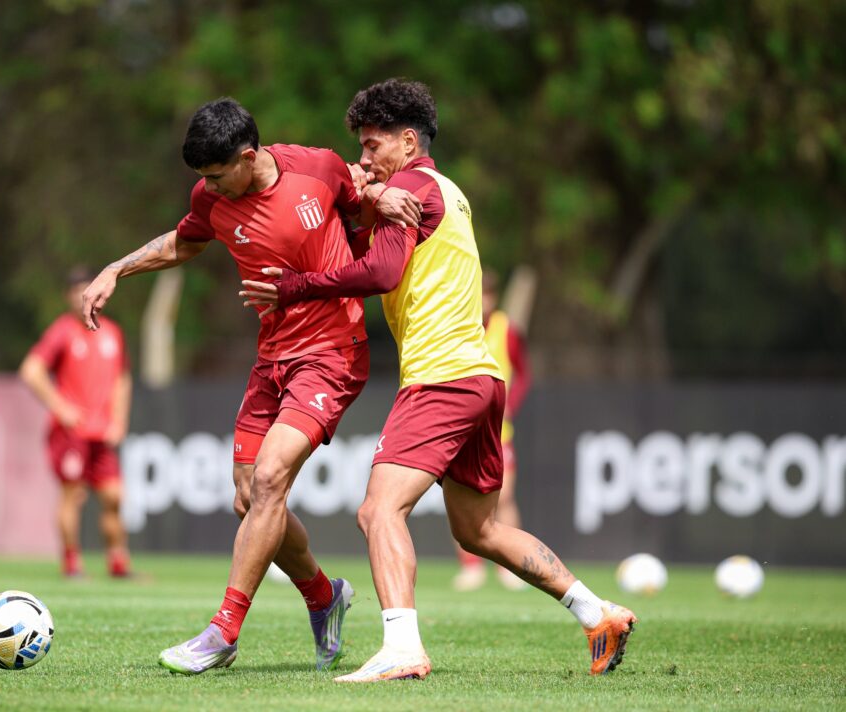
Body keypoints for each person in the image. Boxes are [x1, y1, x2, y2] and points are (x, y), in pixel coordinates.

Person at [240, 79, 637, 682]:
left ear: (407, 140)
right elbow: (375, 251)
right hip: (479, 377)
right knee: (478, 530)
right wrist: (361, 198)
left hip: (440, 378)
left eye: (373, 146)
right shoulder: (443, 189)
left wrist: (293, 285)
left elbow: (381, 271)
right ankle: (597, 612)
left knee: (378, 512)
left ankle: (402, 647)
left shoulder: (410, 188)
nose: (365, 158)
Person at [79, 97, 422, 675]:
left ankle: (224, 632)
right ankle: (323, 596)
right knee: (249, 496)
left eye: (217, 176)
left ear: (247, 156)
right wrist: (117, 267)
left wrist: (380, 193)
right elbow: (185, 241)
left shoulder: (315, 169)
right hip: (272, 357)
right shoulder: (211, 196)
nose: (209, 189)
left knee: (268, 480)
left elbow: (359, 195)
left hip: (333, 353)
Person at [19, 266, 134, 579]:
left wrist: (119, 420)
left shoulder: (113, 332)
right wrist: (61, 408)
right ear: (69, 296)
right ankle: (72, 563)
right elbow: (31, 370)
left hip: (102, 432)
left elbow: (122, 380)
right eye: (77, 291)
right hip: (72, 433)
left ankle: (118, 563)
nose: (84, 296)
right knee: (73, 496)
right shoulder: (63, 332)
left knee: (114, 496)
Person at [452, 268, 530, 592]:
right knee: (460, 495)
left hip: (499, 428)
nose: (483, 302)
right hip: (462, 424)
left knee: (505, 496)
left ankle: (510, 566)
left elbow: (523, 373)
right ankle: (471, 567)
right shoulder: (457, 325)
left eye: (487, 295)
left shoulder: (505, 329)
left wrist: (513, 402)